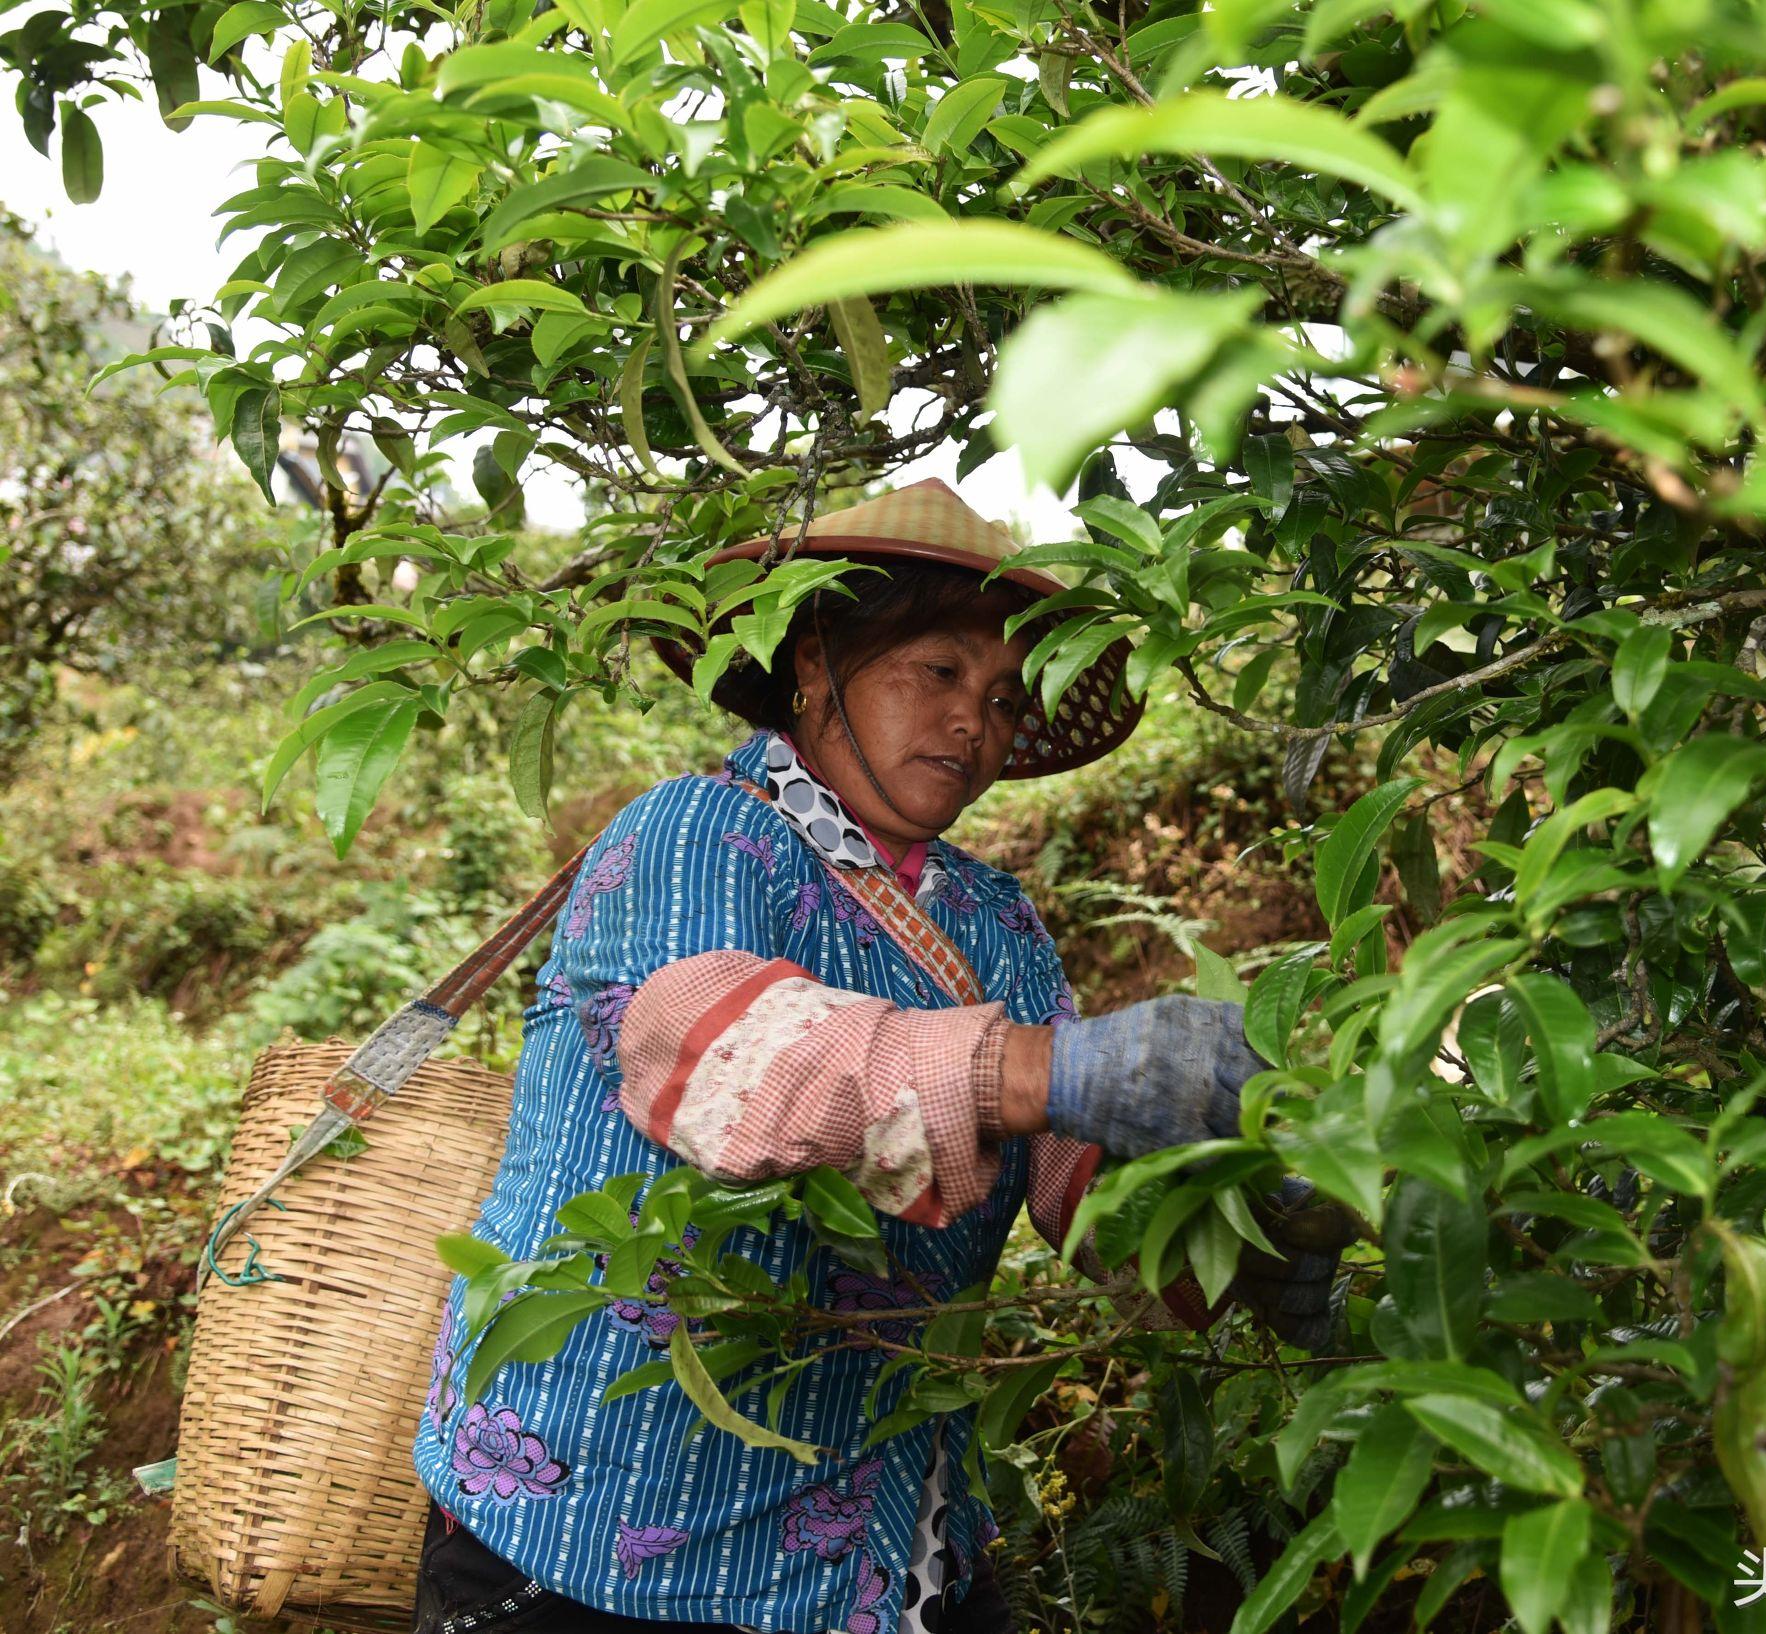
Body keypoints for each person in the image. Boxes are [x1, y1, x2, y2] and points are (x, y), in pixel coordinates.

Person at [410, 481, 1350, 1634]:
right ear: (813, 662)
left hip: (888, 1538)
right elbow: (713, 1051)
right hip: (612, 1530)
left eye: (1004, 698)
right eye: (939, 671)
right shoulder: (698, 831)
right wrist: (1051, 1067)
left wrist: (1225, 1228)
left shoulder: (998, 923)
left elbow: (1073, 1175)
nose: (974, 722)